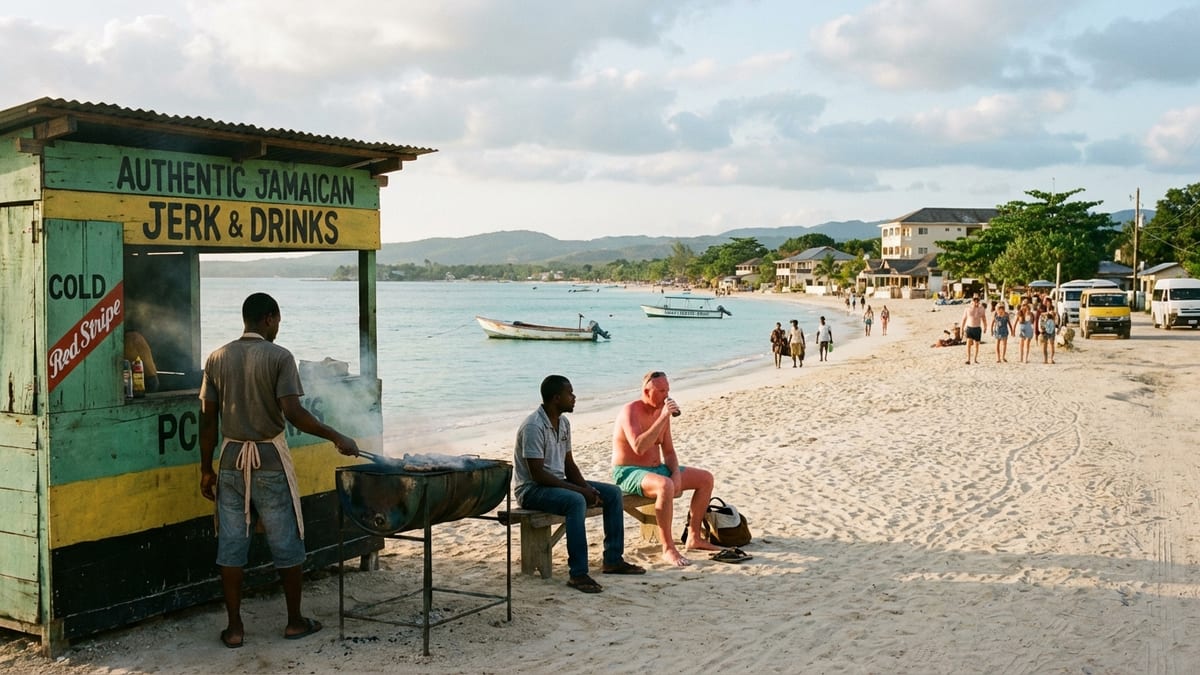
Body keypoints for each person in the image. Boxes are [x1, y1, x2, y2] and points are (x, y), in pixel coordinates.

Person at [198, 292, 360, 649]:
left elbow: (208, 421)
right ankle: (294, 621)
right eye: (278, 322)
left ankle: (235, 628)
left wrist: (205, 469)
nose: (277, 328)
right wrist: (335, 435)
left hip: (229, 460)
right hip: (269, 458)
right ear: (269, 319)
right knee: (286, 539)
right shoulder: (280, 357)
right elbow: (293, 413)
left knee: (231, 544)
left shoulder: (216, 357)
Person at [514, 375, 644, 593]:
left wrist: (588, 488)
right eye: (570, 393)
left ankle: (613, 560)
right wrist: (580, 492)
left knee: (612, 493)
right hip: (531, 489)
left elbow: (569, 465)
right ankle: (578, 574)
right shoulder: (533, 427)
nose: (574, 397)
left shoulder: (563, 422)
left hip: (557, 483)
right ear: (556, 398)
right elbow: (537, 474)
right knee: (575, 501)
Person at [612, 371, 722, 567]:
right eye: (661, 391)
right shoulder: (630, 411)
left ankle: (694, 537)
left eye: (668, 390)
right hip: (629, 471)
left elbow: (669, 452)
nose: (666, 395)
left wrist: (676, 473)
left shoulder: (662, 413)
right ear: (647, 391)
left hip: (657, 470)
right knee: (665, 486)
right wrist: (662, 417)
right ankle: (668, 548)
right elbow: (639, 447)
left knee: (705, 478)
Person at [960, 294, 987, 365]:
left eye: (977, 300)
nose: (976, 301)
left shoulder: (981, 308)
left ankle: (975, 359)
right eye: (975, 299)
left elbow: (984, 318)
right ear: (972, 300)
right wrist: (961, 329)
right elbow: (964, 319)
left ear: (979, 300)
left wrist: (985, 326)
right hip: (969, 327)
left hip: (977, 328)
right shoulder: (968, 308)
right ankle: (968, 359)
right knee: (968, 344)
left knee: (976, 345)